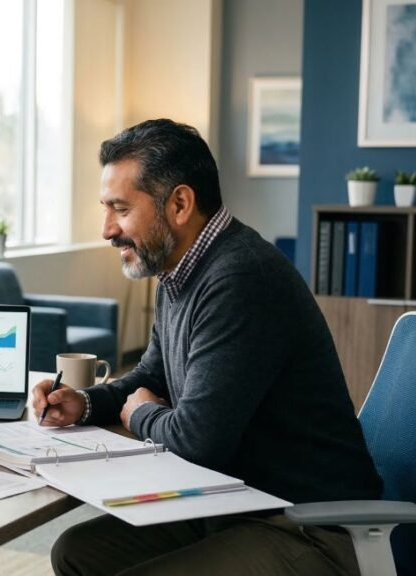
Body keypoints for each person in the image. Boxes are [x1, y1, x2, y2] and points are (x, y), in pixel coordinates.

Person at [33, 119, 382, 576]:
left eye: (120, 208)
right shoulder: (177, 271)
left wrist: (139, 415)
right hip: (234, 503)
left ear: (179, 203)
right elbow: (152, 377)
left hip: (308, 526)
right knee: (77, 553)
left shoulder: (240, 278)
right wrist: (83, 404)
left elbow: (197, 443)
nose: (106, 229)